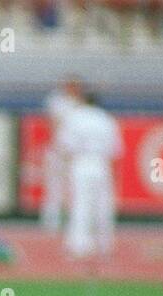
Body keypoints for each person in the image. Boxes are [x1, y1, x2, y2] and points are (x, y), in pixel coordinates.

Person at [60, 88, 123, 259]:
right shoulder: (106, 119)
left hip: (81, 162)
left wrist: (65, 169)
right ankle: (104, 245)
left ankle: (80, 246)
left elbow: (66, 145)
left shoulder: (75, 117)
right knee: (104, 205)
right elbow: (116, 150)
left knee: (81, 204)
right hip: (101, 163)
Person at [41, 78, 83, 233]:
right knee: (54, 188)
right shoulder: (58, 101)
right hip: (58, 150)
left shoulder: (80, 105)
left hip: (75, 153)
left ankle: (73, 222)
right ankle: (51, 223)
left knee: (74, 189)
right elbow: (55, 122)